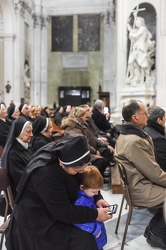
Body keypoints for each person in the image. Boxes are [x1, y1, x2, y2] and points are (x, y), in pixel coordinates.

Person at [5, 134, 112, 250]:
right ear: (62, 164)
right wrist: (95, 214)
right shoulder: (46, 174)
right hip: (38, 221)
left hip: (56, 209)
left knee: (92, 230)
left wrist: (98, 198)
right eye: (78, 170)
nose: (81, 172)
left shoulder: (71, 154)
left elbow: (86, 180)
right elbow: (63, 212)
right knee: (85, 239)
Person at [114, 99, 166, 249]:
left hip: (136, 184)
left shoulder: (129, 135)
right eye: (145, 113)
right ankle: (157, 234)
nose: (148, 115)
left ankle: (152, 230)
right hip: (139, 188)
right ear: (135, 118)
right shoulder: (134, 141)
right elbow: (154, 173)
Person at [74, 165, 107, 250]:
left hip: (96, 232)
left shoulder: (88, 194)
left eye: (98, 191)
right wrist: (95, 229)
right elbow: (78, 221)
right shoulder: (80, 201)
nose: (96, 194)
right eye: (94, 191)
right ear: (82, 187)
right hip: (92, 234)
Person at [1, 116, 34, 197]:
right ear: (19, 132)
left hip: (32, 184)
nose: (31, 134)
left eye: (31, 131)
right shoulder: (12, 154)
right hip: (22, 193)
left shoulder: (27, 146)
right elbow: (21, 179)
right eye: (28, 132)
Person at [126, 15, 155, 85]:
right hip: (135, 49)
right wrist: (127, 23)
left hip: (141, 49)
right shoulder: (137, 30)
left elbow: (136, 35)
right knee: (130, 62)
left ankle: (143, 79)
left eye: (137, 22)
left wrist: (131, 34)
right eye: (136, 22)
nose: (136, 23)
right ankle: (133, 75)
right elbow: (131, 30)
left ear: (141, 22)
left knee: (141, 64)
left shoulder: (143, 29)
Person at [144, 106, 166, 172]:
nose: (165, 120)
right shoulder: (157, 138)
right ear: (159, 120)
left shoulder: (145, 130)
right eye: (164, 117)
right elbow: (163, 163)